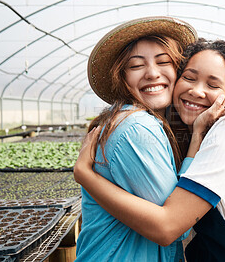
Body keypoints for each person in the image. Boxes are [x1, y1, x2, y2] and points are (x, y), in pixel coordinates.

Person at [75, 39, 225, 261]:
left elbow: (171, 225)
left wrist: (86, 176)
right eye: (189, 78)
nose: (197, 91)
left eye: (212, 85)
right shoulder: (143, 126)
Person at [74, 16, 205, 262]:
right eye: (136, 66)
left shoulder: (142, 122)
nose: (152, 73)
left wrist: (86, 175)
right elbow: (176, 226)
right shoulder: (137, 129)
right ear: (122, 78)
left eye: (164, 62)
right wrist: (197, 140)